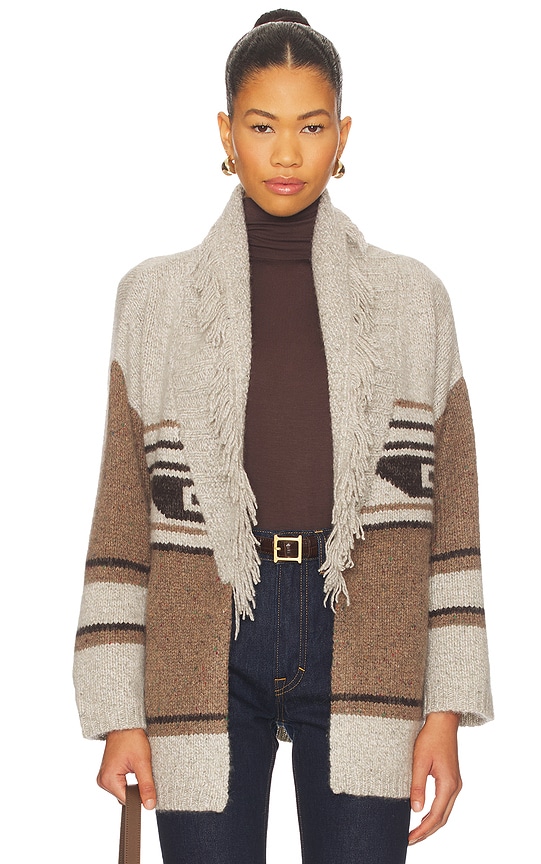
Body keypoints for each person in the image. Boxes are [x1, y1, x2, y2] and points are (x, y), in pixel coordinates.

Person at [73, 10, 493, 864]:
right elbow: (121, 510)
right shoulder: (153, 300)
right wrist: (119, 712)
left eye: (312, 127)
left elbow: (453, 516)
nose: (288, 154)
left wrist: (445, 709)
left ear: (344, 136)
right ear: (226, 133)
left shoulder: (414, 300)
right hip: (201, 630)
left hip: (365, 629)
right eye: (263, 127)